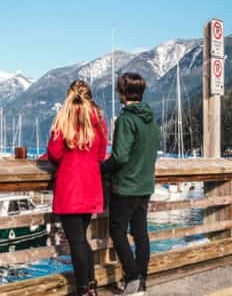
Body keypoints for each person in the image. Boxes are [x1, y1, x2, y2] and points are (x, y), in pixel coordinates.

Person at [47, 80, 108, 296]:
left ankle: (84, 289)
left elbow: (54, 153)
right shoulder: (98, 119)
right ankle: (90, 285)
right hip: (91, 184)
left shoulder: (63, 117)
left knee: (77, 242)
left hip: (70, 187)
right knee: (82, 239)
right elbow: (101, 154)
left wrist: (69, 158)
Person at [101, 72, 159, 296]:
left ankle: (133, 278)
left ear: (123, 93)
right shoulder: (151, 119)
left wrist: (101, 169)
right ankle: (141, 280)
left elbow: (120, 156)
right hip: (145, 185)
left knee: (117, 230)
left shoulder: (126, 119)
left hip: (126, 186)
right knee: (141, 233)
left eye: (119, 91)